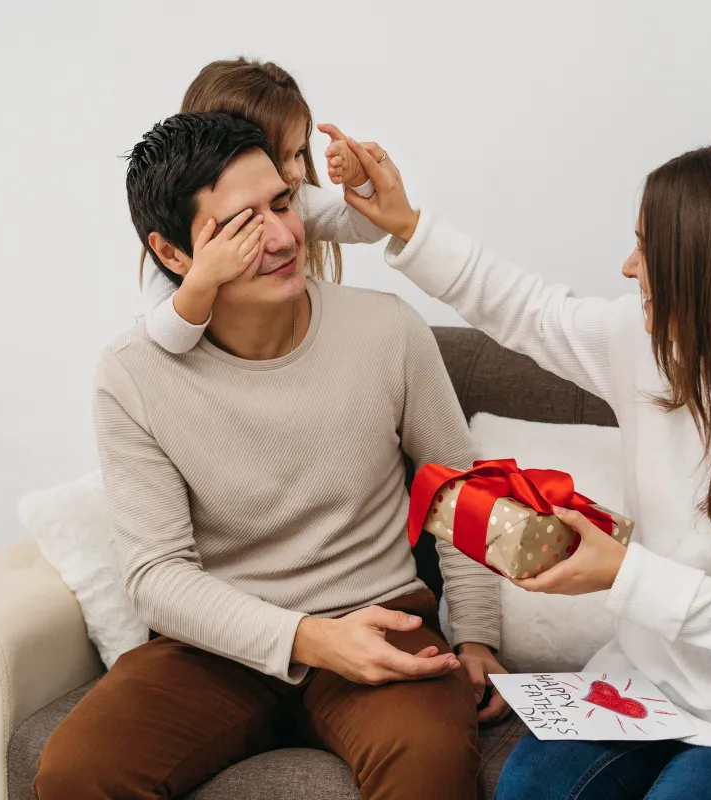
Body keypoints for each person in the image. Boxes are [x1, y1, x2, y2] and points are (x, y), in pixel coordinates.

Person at [334, 135, 711, 800]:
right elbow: (527, 310)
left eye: (648, 249)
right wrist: (408, 225)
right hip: (645, 680)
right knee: (528, 789)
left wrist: (625, 574)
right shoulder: (646, 346)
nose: (629, 268)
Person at [33, 113, 507, 800]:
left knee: (428, 760)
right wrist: (308, 638)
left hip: (380, 618)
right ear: (172, 254)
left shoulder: (387, 330)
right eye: (241, 226)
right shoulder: (132, 372)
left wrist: (478, 638)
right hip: (215, 646)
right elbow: (157, 573)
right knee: (77, 770)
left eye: (282, 205)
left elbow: (458, 488)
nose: (283, 238)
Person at [142, 57, 388, 355]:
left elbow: (372, 225)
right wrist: (201, 279)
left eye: (298, 153)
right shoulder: (179, 238)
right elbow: (170, 337)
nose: (294, 173)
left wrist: (361, 180)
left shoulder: (299, 199)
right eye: (276, 155)